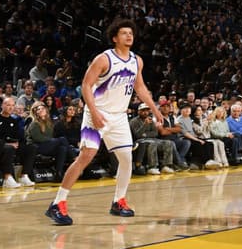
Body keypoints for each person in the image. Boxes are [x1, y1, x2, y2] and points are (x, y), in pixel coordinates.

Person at [45, 19, 164, 226]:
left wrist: (155, 109)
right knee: (86, 156)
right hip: (97, 113)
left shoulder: (137, 61)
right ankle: (58, 203)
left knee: (126, 159)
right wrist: (93, 111)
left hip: (118, 116)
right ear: (114, 38)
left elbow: (141, 88)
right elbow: (86, 85)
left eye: (131, 33)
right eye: (124, 33)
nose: (129, 36)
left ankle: (119, 201)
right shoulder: (104, 58)